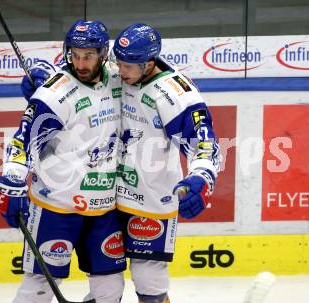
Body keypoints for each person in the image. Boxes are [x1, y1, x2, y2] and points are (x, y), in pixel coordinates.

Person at [0, 20, 126, 303]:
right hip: (57, 206)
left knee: (111, 289)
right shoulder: (53, 95)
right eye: (75, 55)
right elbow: (22, 140)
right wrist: (13, 181)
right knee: (39, 287)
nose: (81, 62)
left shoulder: (119, 77)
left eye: (88, 55)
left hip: (104, 208)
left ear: (104, 54)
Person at [112, 23, 221, 303]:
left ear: (148, 64)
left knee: (149, 284)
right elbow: (78, 66)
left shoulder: (175, 95)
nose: (120, 71)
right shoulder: (121, 71)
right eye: (118, 63)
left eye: (128, 66)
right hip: (105, 195)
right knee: (104, 280)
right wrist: (41, 75)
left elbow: (205, 143)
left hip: (151, 199)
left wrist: (202, 178)